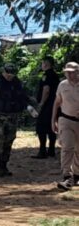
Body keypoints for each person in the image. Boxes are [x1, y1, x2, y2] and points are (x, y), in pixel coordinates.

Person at [52, 61, 79, 191]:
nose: (69, 74)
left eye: (72, 72)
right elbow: (57, 103)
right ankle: (66, 176)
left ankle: (77, 175)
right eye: (67, 72)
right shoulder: (62, 85)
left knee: (78, 150)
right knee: (67, 147)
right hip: (66, 120)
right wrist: (53, 120)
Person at [32, 56, 60, 159]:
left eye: (43, 63)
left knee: (41, 128)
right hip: (55, 104)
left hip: (47, 105)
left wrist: (41, 103)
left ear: (46, 64)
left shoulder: (46, 75)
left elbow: (46, 90)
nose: (42, 65)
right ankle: (51, 150)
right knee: (51, 126)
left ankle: (42, 151)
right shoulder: (55, 75)